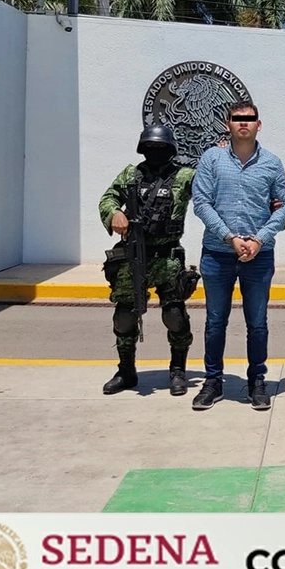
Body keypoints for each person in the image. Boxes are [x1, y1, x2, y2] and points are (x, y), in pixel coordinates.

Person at [191, 102, 285, 411]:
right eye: (237, 119)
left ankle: (256, 382)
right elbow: (201, 202)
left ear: (259, 124)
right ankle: (212, 382)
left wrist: (260, 240)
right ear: (228, 123)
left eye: (249, 119)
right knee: (215, 322)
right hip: (218, 254)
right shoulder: (212, 158)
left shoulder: (272, 163)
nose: (243, 124)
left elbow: (283, 205)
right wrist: (230, 237)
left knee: (257, 323)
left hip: (259, 256)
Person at [98, 124, 196, 396]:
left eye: (160, 147)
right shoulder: (131, 174)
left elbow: (210, 193)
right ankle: (126, 370)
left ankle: (178, 370)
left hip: (167, 259)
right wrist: (114, 214)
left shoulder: (185, 176)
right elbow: (108, 198)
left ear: (171, 149)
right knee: (124, 317)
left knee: (174, 316)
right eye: (150, 147)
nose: (155, 152)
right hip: (132, 256)